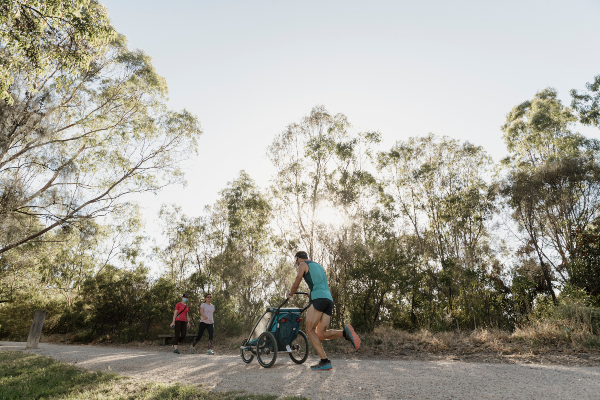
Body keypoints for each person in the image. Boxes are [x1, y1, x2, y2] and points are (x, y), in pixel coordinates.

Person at [287, 251, 360, 371]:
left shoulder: (303, 265)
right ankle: (345, 333)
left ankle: (325, 361)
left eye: (296, 261)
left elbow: (297, 280)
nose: (297, 263)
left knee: (309, 329)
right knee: (321, 333)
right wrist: (312, 293)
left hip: (318, 299)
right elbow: (321, 284)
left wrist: (291, 293)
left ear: (298, 258)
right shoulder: (318, 266)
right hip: (328, 299)